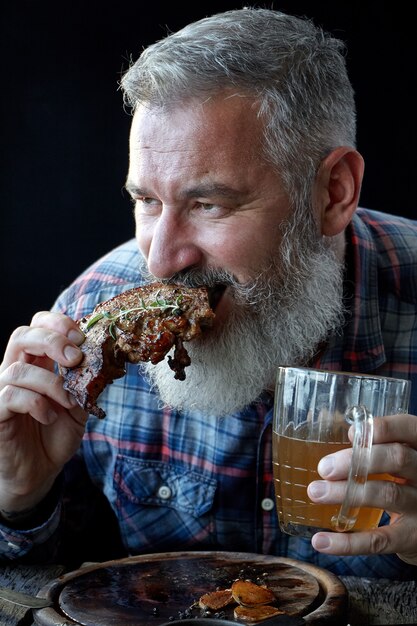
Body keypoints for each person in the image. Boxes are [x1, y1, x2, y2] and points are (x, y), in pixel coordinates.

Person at [0, 7, 416, 579]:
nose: (161, 259)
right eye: (146, 201)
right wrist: (20, 499)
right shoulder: (83, 321)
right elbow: (50, 586)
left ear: (334, 193)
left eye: (208, 204)